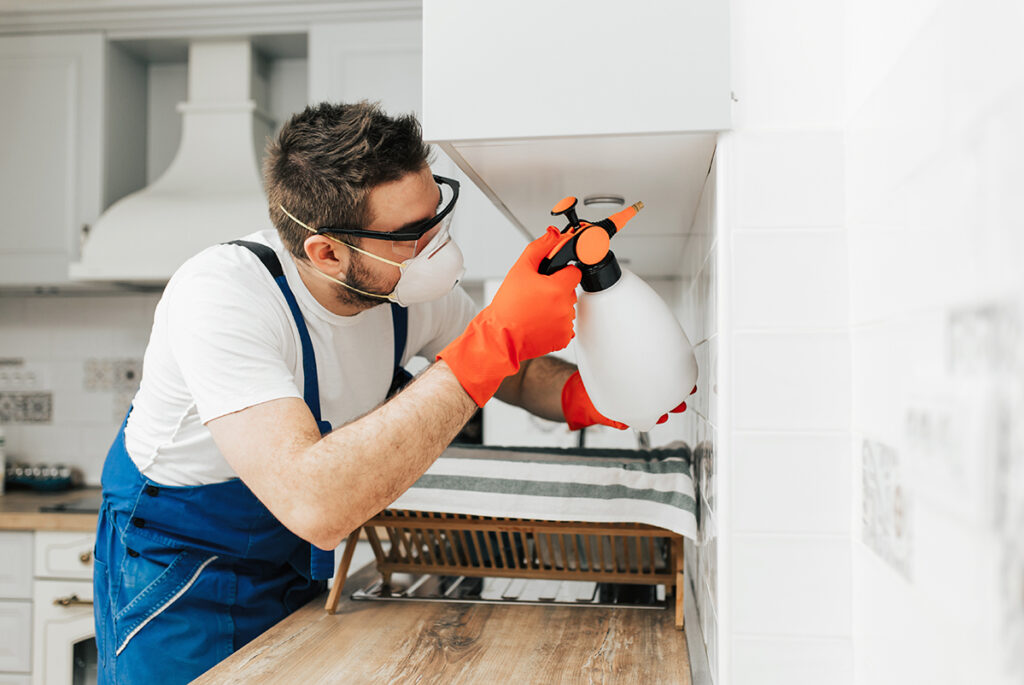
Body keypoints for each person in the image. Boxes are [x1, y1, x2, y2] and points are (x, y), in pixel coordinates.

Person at [92, 101, 683, 683]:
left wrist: (595, 397)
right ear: (327, 251)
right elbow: (313, 503)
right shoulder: (223, 295)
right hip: (182, 568)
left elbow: (518, 374)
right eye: (411, 234)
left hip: (293, 562)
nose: (437, 246)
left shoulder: (404, 288)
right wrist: (490, 341)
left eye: (437, 216)